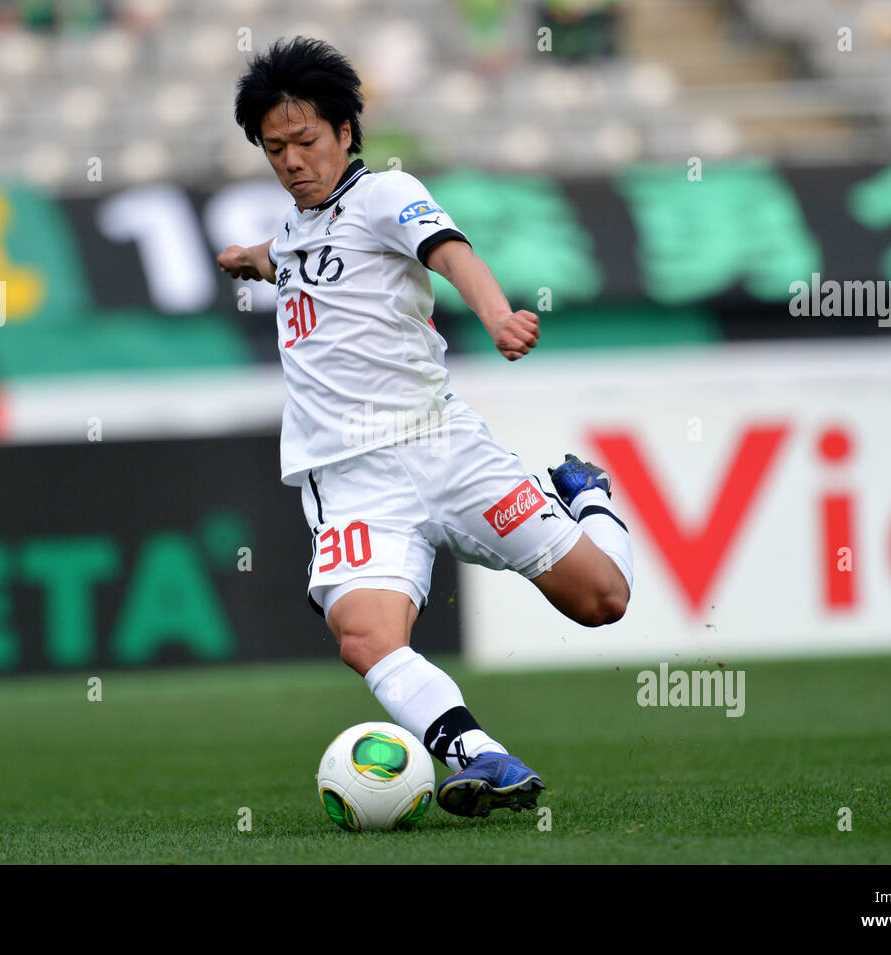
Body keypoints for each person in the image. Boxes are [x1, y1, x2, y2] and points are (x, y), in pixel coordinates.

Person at [217, 36, 632, 818]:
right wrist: (248, 258)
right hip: (348, 476)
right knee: (364, 636)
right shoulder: (299, 230)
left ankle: (594, 501)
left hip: (442, 446)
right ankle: (478, 755)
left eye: (305, 140)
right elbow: (289, 257)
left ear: (345, 130)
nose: (292, 160)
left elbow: (448, 251)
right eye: (274, 148)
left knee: (601, 600)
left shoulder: (385, 194)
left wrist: (500, 313)